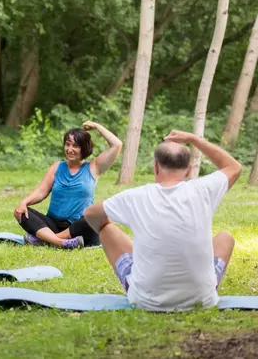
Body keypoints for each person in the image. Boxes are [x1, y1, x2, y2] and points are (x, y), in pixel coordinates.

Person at [84, 130, 241, 312]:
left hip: (145, 302)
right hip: (203, 300)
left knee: (107, 230)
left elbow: (90, 214)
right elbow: (234, 167)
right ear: (189, 171)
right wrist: (194, 139)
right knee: (225, 238)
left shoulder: (136, 196)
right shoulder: (203, 190)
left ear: (156, 167)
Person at [14, 121, 122, 249]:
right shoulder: (56, 167)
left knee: (96, 215)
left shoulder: (94, 167)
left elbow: (117, 144)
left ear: (84, 147)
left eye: (75, 146)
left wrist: (97, 126)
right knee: (21, 212)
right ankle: (60, 242)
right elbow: (41, 192)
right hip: (53, 224)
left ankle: (47, 240)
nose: (70, 149)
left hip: (80, 227)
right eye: (67, 144)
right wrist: (24, 202)